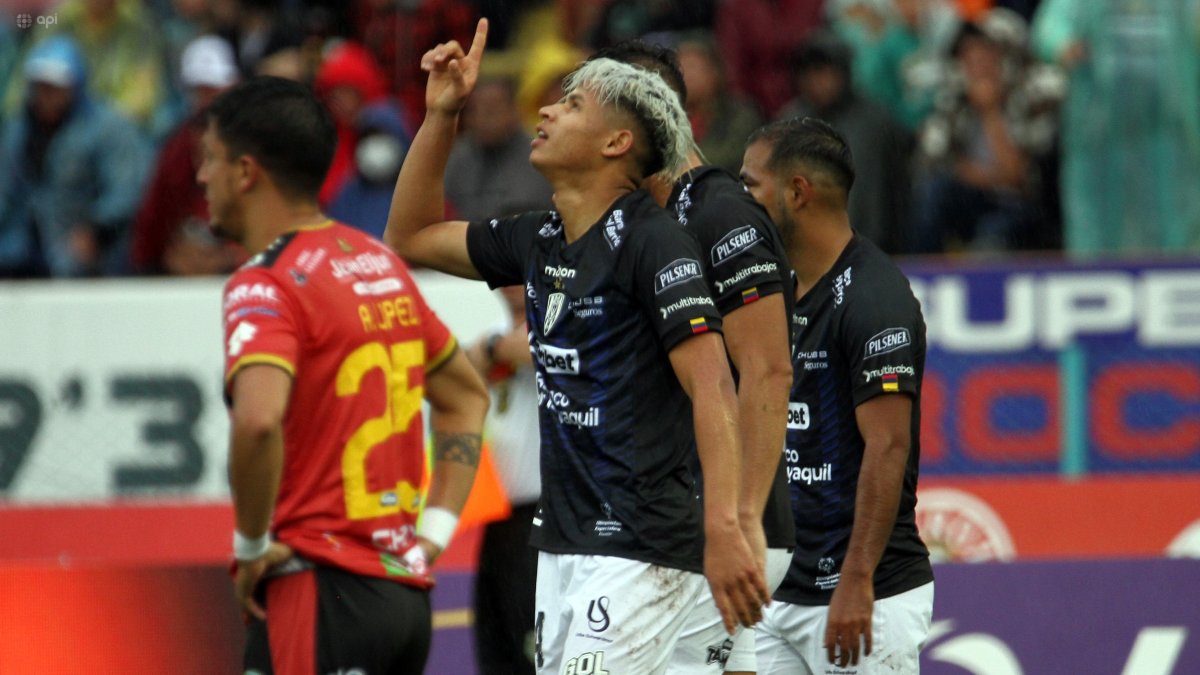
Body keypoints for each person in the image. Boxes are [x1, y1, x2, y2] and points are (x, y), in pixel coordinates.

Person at [384, 19, 769, 674]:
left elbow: (714, 386)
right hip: (563, 543)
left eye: (572, 104)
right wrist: (443, 115)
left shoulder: (653, 243)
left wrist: (727, 528)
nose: (546, 112)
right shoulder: (540, 238)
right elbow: (411, 236)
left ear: (617, 142)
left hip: (640, 546)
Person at [202, 76, 489, 673]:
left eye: (210, 159)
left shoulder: (265, 283)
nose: (202, 177)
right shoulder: (376, 262)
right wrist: (431, 537)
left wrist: (250, 547)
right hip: (402, 597)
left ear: (245, 172)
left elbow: (258, 422)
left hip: (317, 585)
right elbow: (466, 398)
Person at [591, 40, 795, 675]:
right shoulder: (650, 221)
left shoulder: (720, 213)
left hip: (726, 525)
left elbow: (768, 370)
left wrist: (741, 515)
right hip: (690, 519)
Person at [739, 117, 934, 673]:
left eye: (750, 186)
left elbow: (888, 446)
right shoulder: (771, 287)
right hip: (778, 593)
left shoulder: (875, 298)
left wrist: (856, 579)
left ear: (796, 192)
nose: (738, 203)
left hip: (865, 595)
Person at [0, 35, 150, 278]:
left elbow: (127, 190)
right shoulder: (19, 130)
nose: (47, 95)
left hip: (86, 249)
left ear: (76, 85)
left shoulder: (108, 128)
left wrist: (98, 230)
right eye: (40, 86)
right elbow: (5, 190)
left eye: (55, 87)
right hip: (20, 246)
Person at [465, 285, 541, 675]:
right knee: (495, 650)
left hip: (541, 516)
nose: (507, 280)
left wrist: (494, 349)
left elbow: (543, 350)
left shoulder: (556, 328)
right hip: (496, 517)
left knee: (534, 650)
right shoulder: (491, 336)